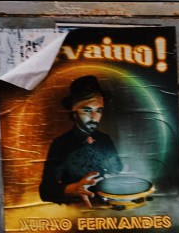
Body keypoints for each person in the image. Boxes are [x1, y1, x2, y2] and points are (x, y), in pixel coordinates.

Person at [39, 75, 123, 205]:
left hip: (109, 211)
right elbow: (45, 190)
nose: (94, 118)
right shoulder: (60, 144)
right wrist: (72, 189)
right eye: (87, 110)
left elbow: (117, 170)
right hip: (74, 214)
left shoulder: (106, 140)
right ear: (74, 112)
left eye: (99, 110)